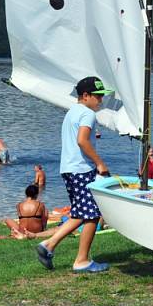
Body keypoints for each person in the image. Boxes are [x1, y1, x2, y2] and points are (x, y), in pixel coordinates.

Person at [36, 76, 112, 273]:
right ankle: (82, 260)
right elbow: (82, 141)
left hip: (68, 169)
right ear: (85, 96)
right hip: (82, 169)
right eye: (98, 96)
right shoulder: (87, 114)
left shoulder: (72, 112)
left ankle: (49, 245)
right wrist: (100, 163)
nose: (101, 100)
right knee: (93, 214)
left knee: (79, 213)